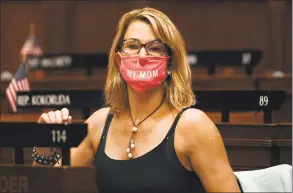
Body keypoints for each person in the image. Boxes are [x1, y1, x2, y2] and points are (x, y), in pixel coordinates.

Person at [33, 7, 242, 193]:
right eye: (132, 46)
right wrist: (45, 145)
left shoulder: (193, 126)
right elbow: (48, 184)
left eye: (154, 48)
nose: (142, 55)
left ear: (170, 64)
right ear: (118, 59)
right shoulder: (99, 124)